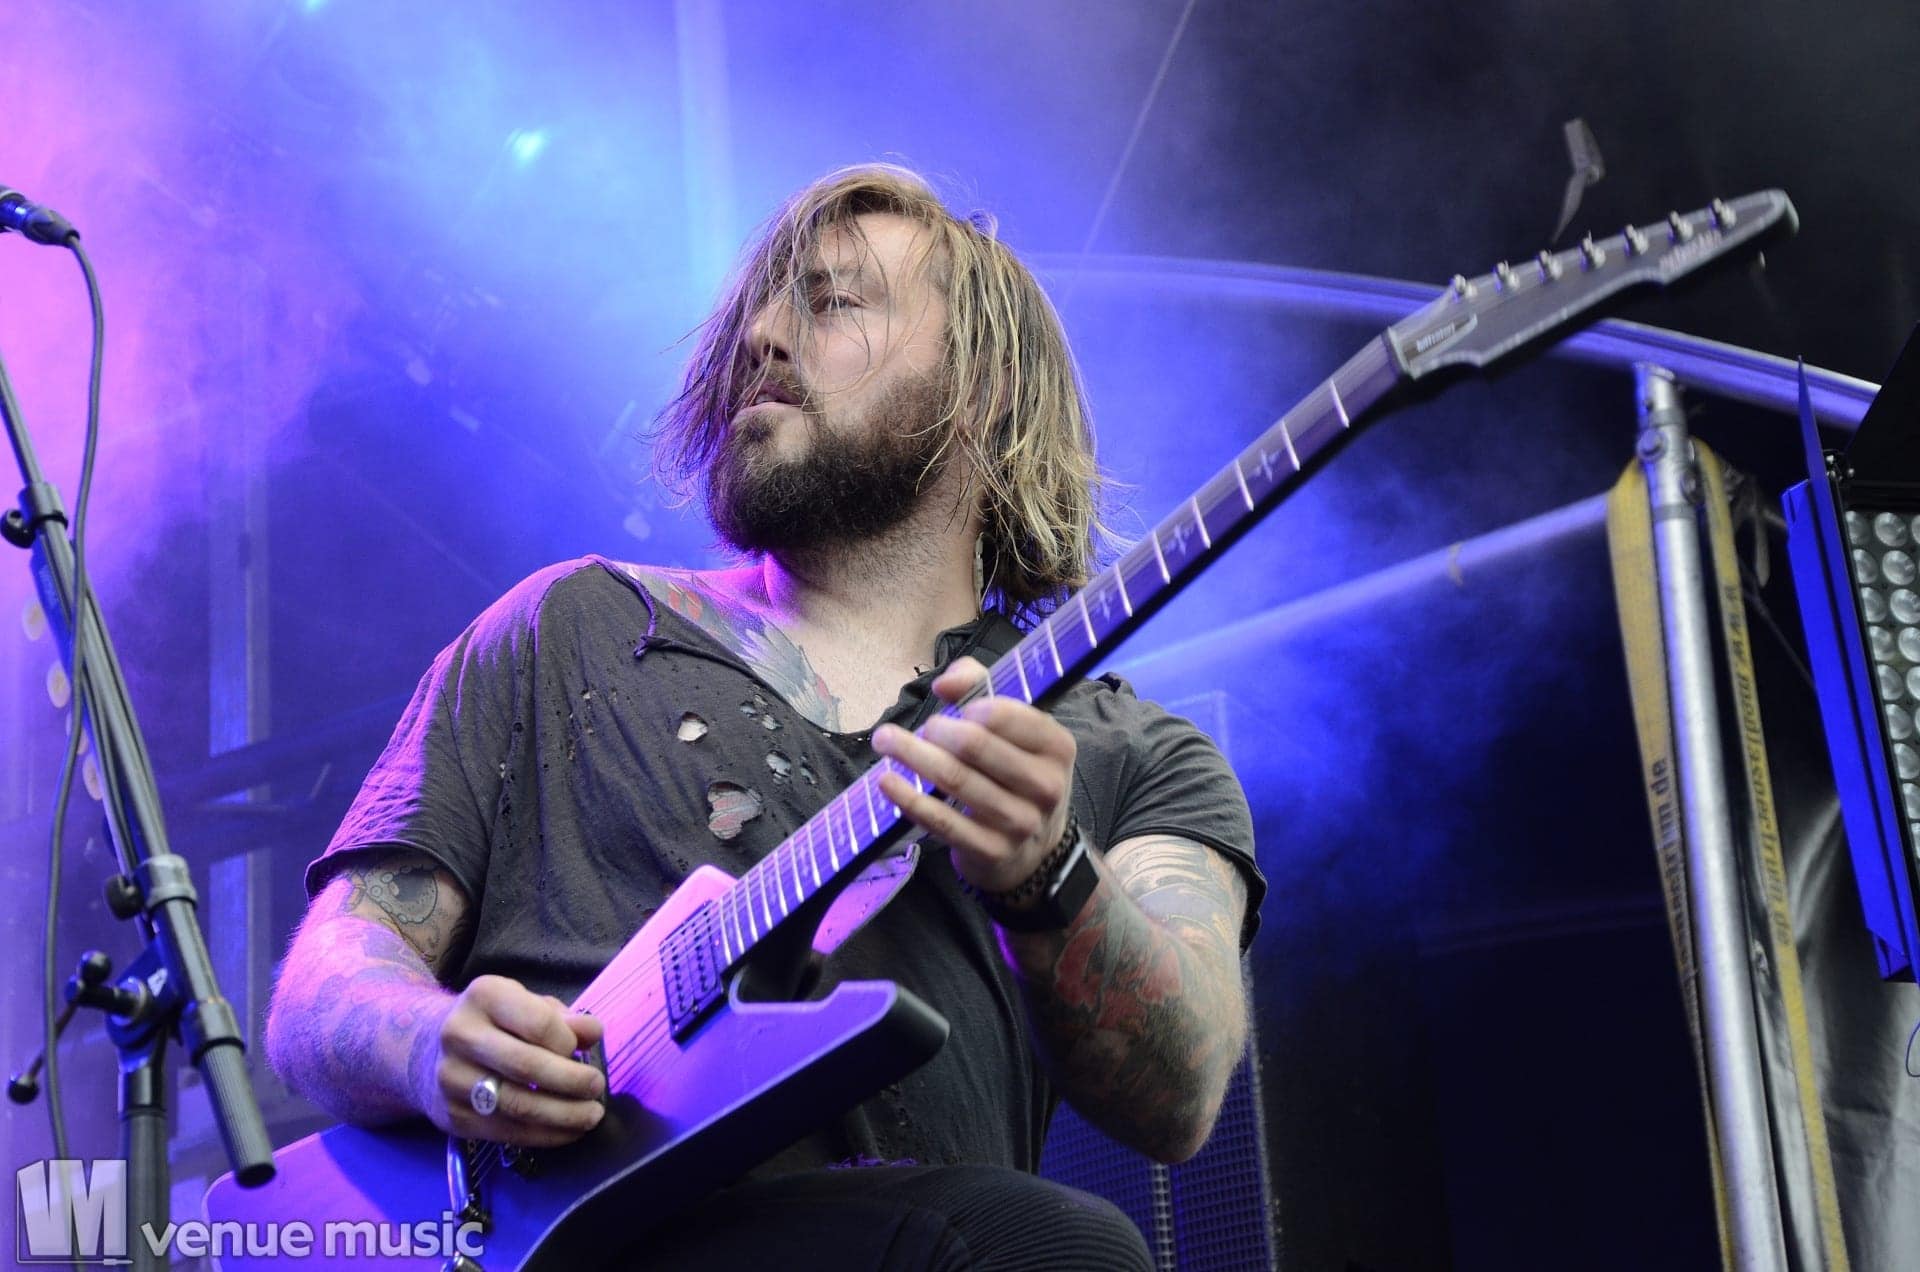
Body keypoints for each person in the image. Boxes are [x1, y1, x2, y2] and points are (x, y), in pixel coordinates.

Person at [264, 164, 1266, 1269]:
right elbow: (322, 984)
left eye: (833, 303)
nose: (765, 337)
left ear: (982, 391)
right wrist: (424, 1044)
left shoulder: (1127, 754)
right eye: (763, 312)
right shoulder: (574, 626)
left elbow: (1181, 1096)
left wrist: (1049, 875)